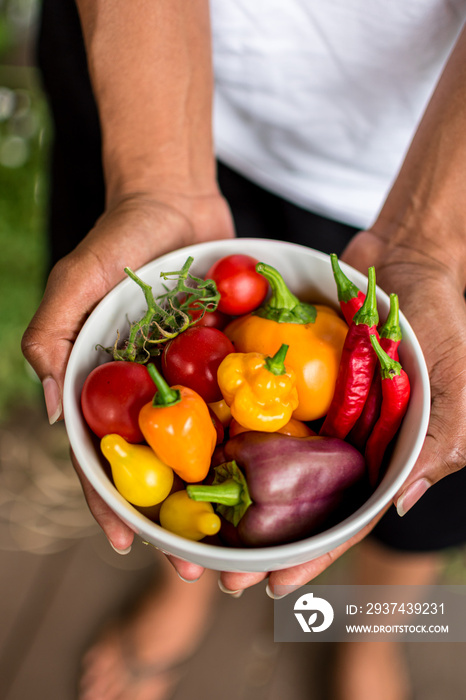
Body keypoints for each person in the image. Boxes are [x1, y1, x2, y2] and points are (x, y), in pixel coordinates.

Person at [22, 1, 466, 699]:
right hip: (152, 86)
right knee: (203, 529)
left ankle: (370, 633)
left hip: (438, 161)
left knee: (423, 477)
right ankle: (187, 578)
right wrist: (154, 178)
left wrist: (433, 240)